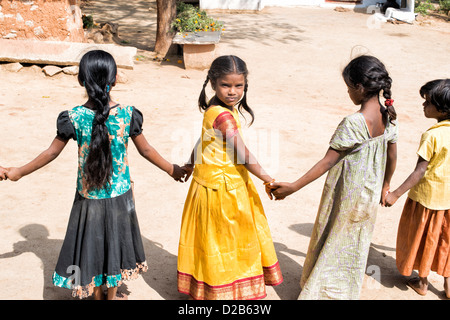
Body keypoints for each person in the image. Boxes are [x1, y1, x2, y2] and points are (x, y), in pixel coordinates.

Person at [1, 50, 186, 300]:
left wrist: (18, 172)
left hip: (87, 198)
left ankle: (97, 296)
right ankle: (111, 296)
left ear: (81, 80)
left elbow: (51, 153)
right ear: (115, 79)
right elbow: (147, 150)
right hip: (121, 196)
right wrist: (172, 169)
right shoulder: (128, 114)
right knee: (114, 246)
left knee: (95, 246)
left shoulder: (73, 118)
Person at [270, 55, 398, 299]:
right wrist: (387, 184)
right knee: (354, 244)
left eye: (349, 88)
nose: (348, 93)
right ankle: (343, 290)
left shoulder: (353, 122)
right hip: (369, 196)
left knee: (332, 239)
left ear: (359, 88)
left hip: (346, 195)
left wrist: (293, 187)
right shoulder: (389, 115)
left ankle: (320, 292)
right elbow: (392, 155)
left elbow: (327, 161)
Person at [177, 55, 283, 300]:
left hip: (210, 184)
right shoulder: (223, 116)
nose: (233, 91)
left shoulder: (216, 109)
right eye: (226, 85)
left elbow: (203, 139)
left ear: (245, 85)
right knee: (228, 241)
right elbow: (243, 153)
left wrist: (190, 164)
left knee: (212, 241)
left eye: (239, 86)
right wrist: (268, 178)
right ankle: (225, 291)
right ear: (213, 83)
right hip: (223, 190)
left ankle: (213, 287)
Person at [384, 79, 450, 298]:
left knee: (423, 239)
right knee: (445, 241)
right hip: (448, 200)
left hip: (427, 200)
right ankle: (448, 285)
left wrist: (395, 194)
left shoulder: (432, 135)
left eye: (428, 102)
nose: (424, 106)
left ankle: (422, 283)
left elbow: (419, 171)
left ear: (442, 108)